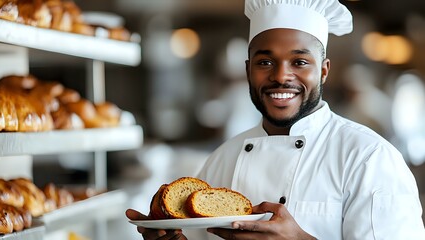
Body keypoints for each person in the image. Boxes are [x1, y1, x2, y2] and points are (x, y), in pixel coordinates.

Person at [126, 0, 425, 239]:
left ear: (323, 70)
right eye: (265, 62)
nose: (281, 76)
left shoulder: (369, 158)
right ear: (247, 70)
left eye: (300, 62)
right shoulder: (221, 160)